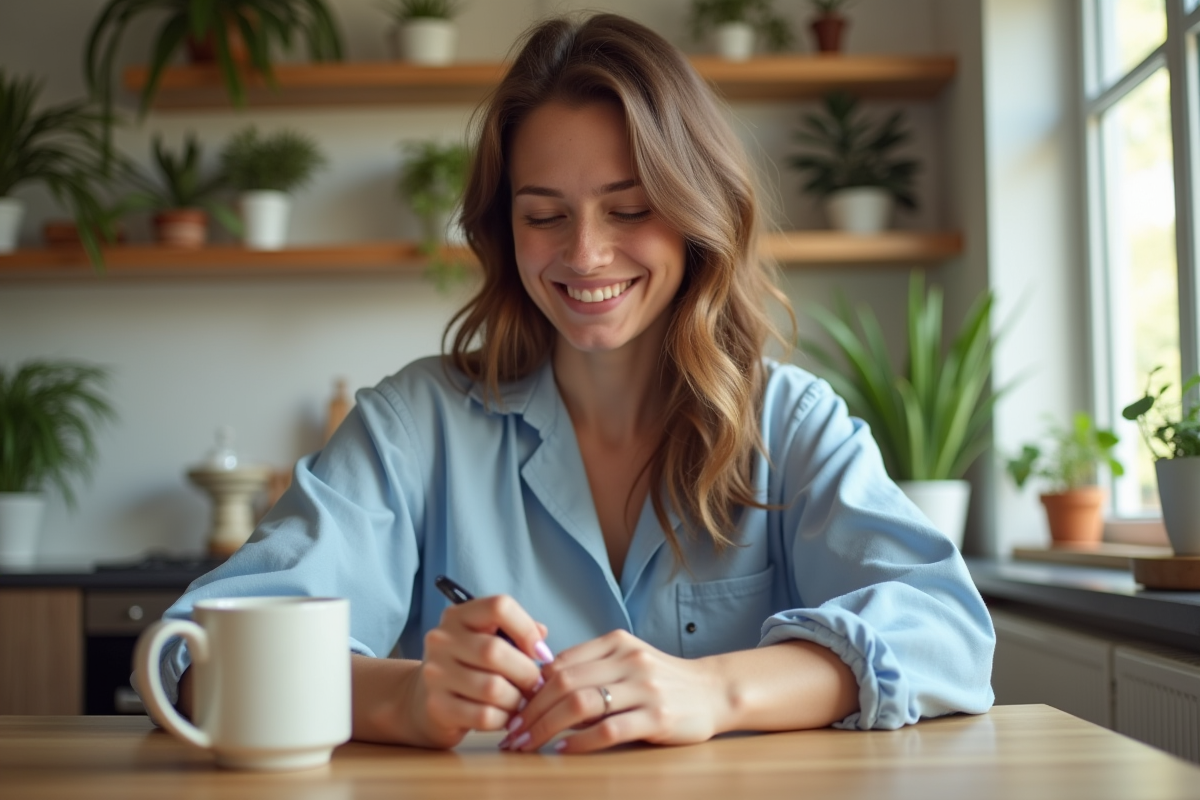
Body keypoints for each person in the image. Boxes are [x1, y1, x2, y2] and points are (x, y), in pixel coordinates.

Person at [149, 13, 995, 754]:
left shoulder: (790, 421)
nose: (585, 254)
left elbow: (951, 636)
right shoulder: (412, 426)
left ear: (699, 213)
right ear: (502, 228)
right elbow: (192, 656)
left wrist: (717, 691)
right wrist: (404, 697)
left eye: (629, 209)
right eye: (544, 215)